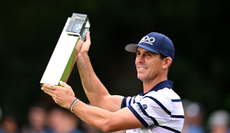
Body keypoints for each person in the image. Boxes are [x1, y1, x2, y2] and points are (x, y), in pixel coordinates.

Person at [41, 31, 185, 133]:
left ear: (166, 62)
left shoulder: (163, 99)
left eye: (148, 55)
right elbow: (102, 100)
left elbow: (108, 122)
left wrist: (71, 102)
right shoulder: (143, 99)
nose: (140, 60)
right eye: (138, 54)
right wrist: (82, 56)